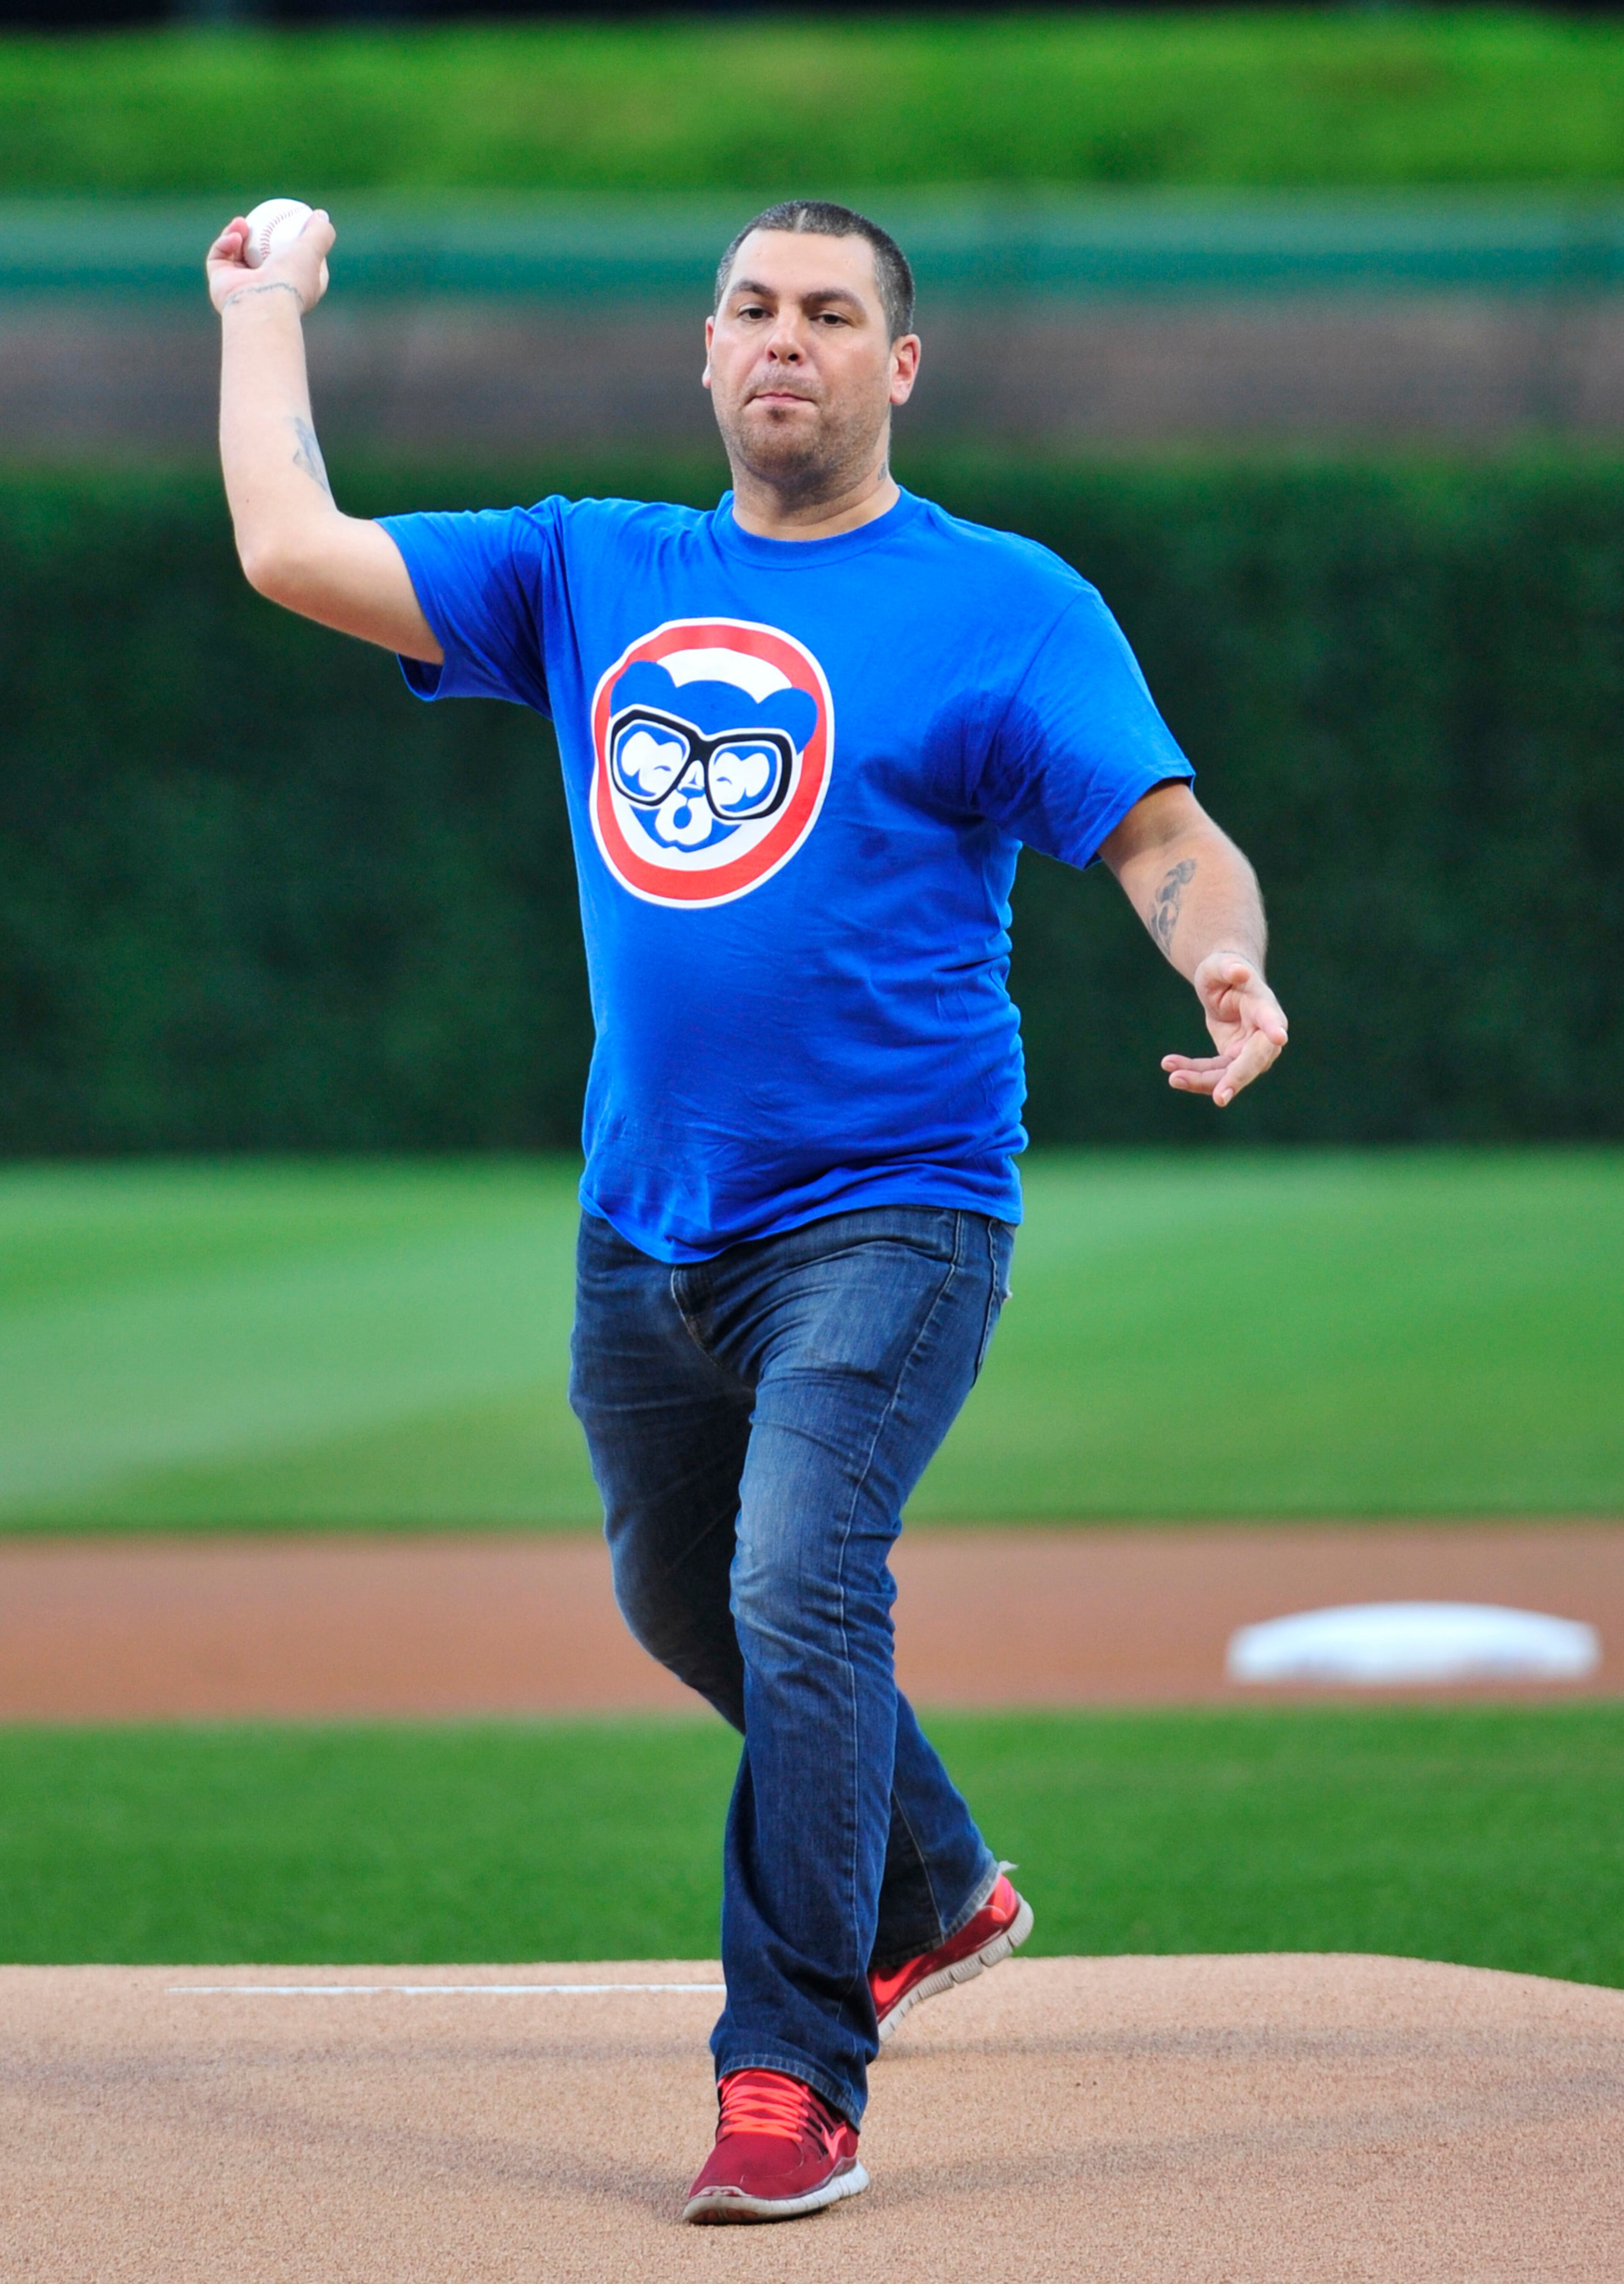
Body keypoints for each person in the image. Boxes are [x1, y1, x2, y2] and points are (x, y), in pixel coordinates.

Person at [206, 195, 1288, 2225]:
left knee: (802, 1579)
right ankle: (938, 1877)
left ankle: (792, 2074)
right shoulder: (592, 569)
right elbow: (290, 546)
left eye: (829, 313)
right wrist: (266, 306)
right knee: (678, 1594)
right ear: (709, 354)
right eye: (749, 308)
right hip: (649, 1228)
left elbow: (1167, 836)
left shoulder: (1004, 602)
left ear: (900, 366)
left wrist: (1220, 959)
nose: (782, 338)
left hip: (895, 1208)